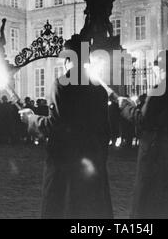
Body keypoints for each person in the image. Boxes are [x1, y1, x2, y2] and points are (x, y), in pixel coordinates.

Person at [19, 35, 113, 219]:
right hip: (92, 161)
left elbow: (56, 125)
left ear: (68, 59)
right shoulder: (98, 88)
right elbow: (104, 130)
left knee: (63, 208)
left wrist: (31, 119)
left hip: (66, 164)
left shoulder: (63, 84)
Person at [118, 50, 168, 219]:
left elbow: (143, 121)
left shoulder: (158, 91)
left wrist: (125, 106)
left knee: (149, 203)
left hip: (155, 153)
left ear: (161, 69)